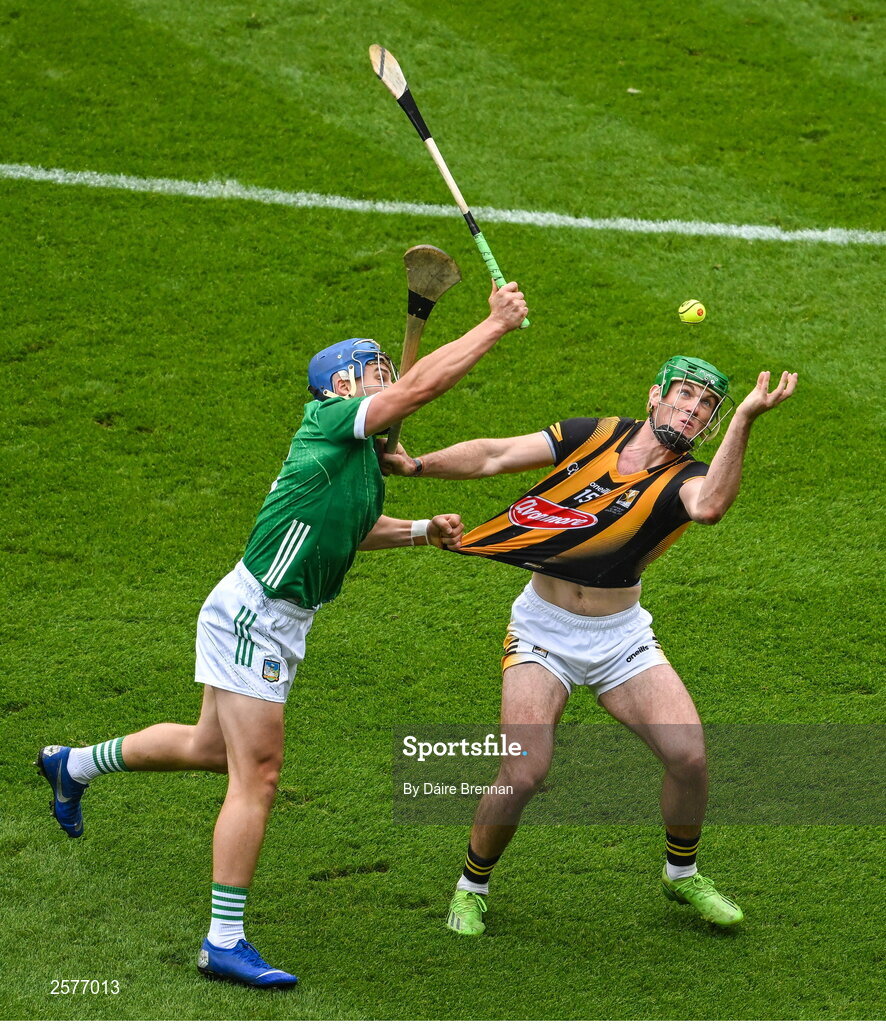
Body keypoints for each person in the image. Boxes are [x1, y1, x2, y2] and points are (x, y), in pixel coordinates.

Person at [36, 280, 529, 986]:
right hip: (256, 617)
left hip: (268, 616)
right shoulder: (329, 422)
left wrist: (421, 531)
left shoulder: (355, 461)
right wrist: (493, 326)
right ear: (340, 384)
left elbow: (347, 531)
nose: (388, 379)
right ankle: (223, 941)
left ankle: (73, 765)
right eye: (375, 371)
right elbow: (417, 394)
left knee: (210, 748)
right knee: (257, 775)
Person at [382, 355, 797, 933]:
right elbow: (496, 454)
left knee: (689, 756)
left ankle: (682, 875)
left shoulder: (687, 478)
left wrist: (746, 418)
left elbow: (710, 508)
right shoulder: (595, 434)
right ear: (655, 396)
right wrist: (418, 464)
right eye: (683, 395)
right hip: (543, 631)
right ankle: (471, 885)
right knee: (524, 771)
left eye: (706, 406)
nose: (692, 408)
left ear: (709, 423)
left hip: (620, 637)